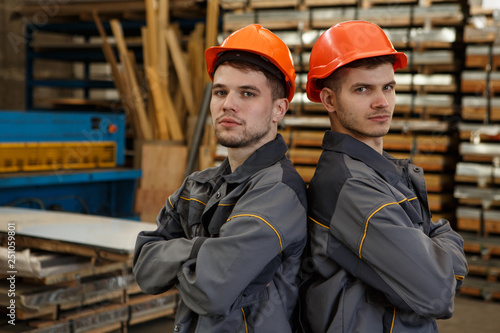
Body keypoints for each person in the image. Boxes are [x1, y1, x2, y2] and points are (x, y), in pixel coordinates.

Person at [133, 24, 307, 333]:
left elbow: (210, 289)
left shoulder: (280, 192)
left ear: (279, 109)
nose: (228, 104)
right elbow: (145, 268)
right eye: (220, 92)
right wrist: (205, 250)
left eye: (248, 93)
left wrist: (183, 251)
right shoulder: (198, 186)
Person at [300, 20, 468, 332]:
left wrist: (437, 246)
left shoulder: (380, 169)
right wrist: (443, 241)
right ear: (329, 100)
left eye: (387, 87)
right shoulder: (352, 185)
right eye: (362, 89)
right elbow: (436, 292)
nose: (382, 102)